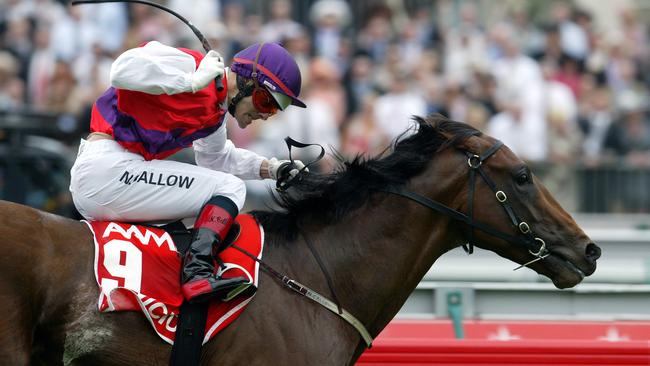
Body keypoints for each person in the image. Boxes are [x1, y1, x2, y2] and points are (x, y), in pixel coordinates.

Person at [69, 41, 307, 303]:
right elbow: (121, 71)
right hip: (107, 169)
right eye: (265, 102)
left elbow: (217, 159)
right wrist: (190, 81)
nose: (264, 115)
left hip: (120, 176)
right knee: (230, 189)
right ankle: (196, 274)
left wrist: (273, 168)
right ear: (245, 82)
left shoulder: (214, 115)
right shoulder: (192, 65)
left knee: (215, 199)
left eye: (273, 110)